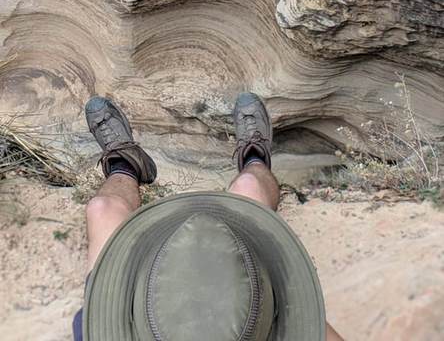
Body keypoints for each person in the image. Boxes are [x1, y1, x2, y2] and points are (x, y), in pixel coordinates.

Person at [73, 92, 344, 340]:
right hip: (253, 317)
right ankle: (255, 159)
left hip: (146, 314)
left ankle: (125, 165)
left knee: (102, 209)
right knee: (248, 188)